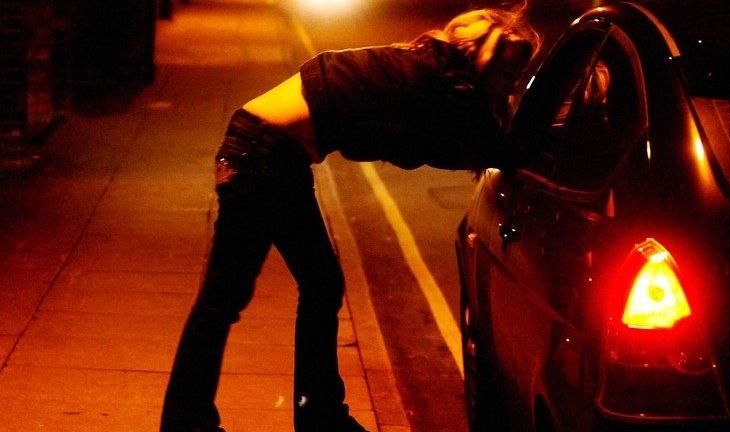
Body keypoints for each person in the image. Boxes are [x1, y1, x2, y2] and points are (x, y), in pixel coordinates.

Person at [159, 7, 540, 432]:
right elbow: (495, 147)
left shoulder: (426, 66)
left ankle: (299, 414)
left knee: (301, 286)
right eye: (509, 75)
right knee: (235, 296)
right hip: (263, 152)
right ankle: (228, 418)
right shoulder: (451, 81)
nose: (511, 87)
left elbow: (425, 143)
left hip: (266, 149)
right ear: (488, 60)